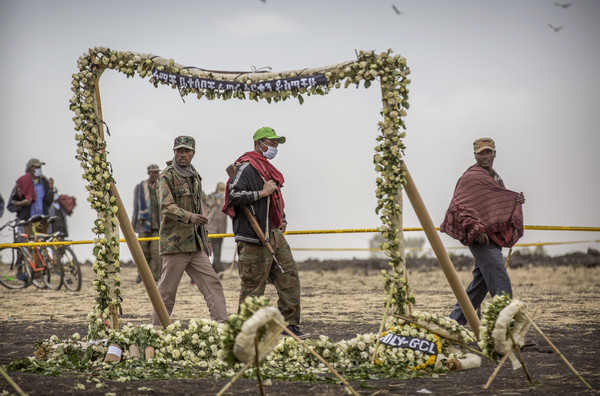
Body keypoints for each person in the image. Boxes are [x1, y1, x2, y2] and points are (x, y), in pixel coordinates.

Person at [223, 127, 308, 339]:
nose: (274, 147)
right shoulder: (245, 167)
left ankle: (289, 325)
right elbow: (233, 194)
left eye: (276, 144)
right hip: (253, 237)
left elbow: (275, 198)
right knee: (253, 288)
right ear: (259, 143)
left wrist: (283, 219)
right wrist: (262, 192)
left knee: (290, 276)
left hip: (274, 232)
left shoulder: (268, 169)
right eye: (271, 143)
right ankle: (246, 332)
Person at [440, 137, 525, 325]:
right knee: (499, 278)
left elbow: (496, 205)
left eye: (488, 152)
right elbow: (458, 207)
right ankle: (508, 327)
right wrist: (476, 229)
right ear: (475, 155)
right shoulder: (471, 177)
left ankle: (454, 323)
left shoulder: (496, 178)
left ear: (494, 153)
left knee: (480, 285)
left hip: (493, 237)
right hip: (480, 239)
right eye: (481, 153)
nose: (485, 156)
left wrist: (514, 202)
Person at [151, 136, 228, 326]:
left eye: (186, 151)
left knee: (213, 285)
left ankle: (223, 327)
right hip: (175, 245)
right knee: (167, 292)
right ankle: (156, 331)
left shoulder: (195, 176)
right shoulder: (167, 175)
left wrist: (205, 237)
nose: (182, 154)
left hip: (196, 244)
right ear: (174, 152)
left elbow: (200, 209)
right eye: (179, 151)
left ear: (193, 153)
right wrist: (189, 217)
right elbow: (166, 207)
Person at [132, 164, 162, 283]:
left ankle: (155, 277)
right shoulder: (140, 188)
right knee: (142, 253)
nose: (155, 174)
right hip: (143, 225)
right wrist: (133, 225)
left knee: (156, 253)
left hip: (157, 226)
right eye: (153, 172)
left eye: (156, 172)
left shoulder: (162, 186)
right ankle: (142, 274)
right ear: (149, 173)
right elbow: (136, 207)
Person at [10, 158, 54, 234]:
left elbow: (48, 203)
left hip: (42, 221)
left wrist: (50, 190)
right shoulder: (21, 182)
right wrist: (22, 203)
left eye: (40, 167)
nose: (39, 169)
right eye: (37, 167)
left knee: (42, 244)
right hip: (27, 222)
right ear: (30, 168)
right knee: (30, 244)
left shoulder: (44, 182)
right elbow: (10, 204)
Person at [206, 182, 228, 278]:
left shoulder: (225, 199)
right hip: (212, 230)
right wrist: (214, 203)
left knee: (218, 251)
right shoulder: (211, 197)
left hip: (222, 230)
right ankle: (220, 270)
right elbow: (208, 208)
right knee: (216, 250)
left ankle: (214, 271)